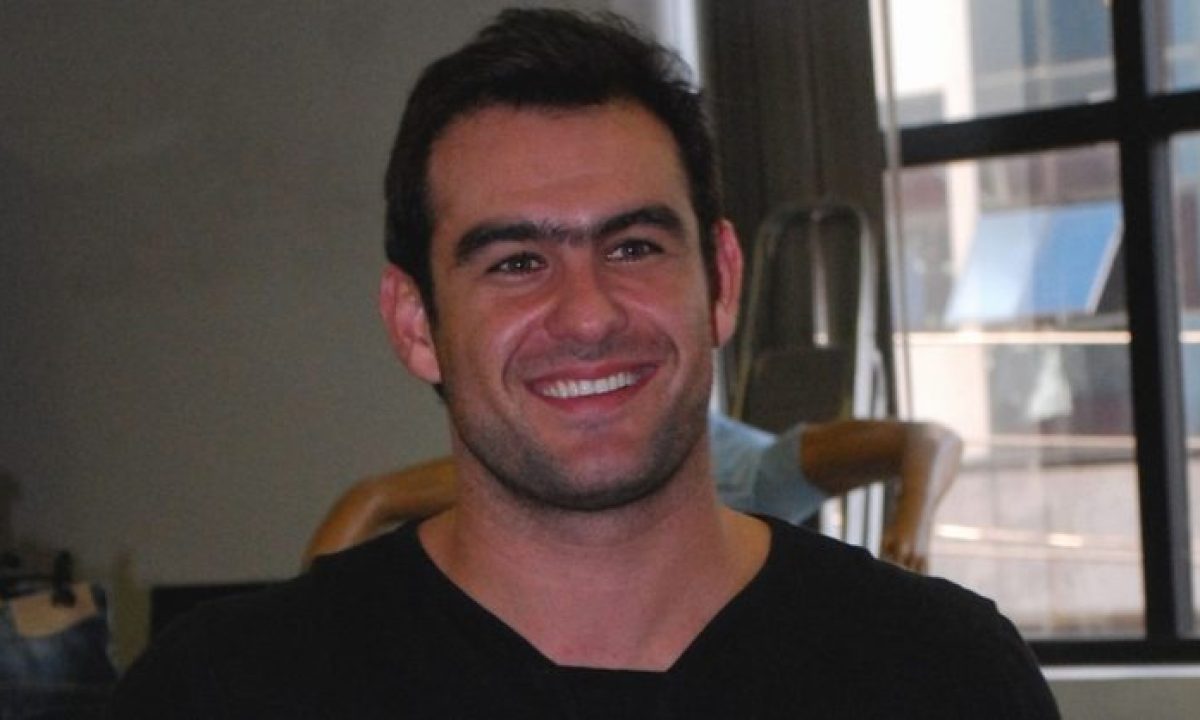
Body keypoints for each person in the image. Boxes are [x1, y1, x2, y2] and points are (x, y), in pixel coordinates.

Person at [109, 8, 1059, 717]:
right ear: (414, 322)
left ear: (721, 281)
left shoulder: (942, 675)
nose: (589, 314)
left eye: (634, 247)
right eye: (516, 263)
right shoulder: (226, 691)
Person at [302, 413, 963, 573]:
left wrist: (912, 525)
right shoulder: (544, 470)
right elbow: (372, 498)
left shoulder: (756, 480)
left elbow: (929, 439)